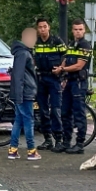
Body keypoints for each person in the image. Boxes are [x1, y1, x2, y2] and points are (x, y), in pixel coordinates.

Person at [54, 19, 93, 155]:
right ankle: (66, 142)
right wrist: (61, 67)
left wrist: (62, 69)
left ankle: (80, 143)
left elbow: (79, 65)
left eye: (80, 29)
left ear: (84, 30)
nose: (78, 31)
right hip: (69, 82)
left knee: (79, 114)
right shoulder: (72, 44)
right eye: (76, 29)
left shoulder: (85, 45)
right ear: (72, 30)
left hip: (78, 83)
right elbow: (67, 58)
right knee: (65, 113)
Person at [33, 17, 67, 152]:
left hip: (54, 78)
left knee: (55, 109)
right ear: (37, 29)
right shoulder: (36, 43)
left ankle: (59, 139)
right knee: (42, 110)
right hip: (41, 78)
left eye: (44, 26)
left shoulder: (56, 41)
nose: (42, 29)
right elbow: (34, 59)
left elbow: (66, 55)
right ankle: (47, 139)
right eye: (40, 27)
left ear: (49, 27)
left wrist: (61, 68)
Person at [8, 27, 41, 161]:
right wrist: (20, 95)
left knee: (19, 120)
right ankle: (31, 150)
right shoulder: (24, 54)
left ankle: (13, 149)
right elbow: (19, 75)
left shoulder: (22, 53)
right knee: (28, 120)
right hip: (25, 92)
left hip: (22, 92)